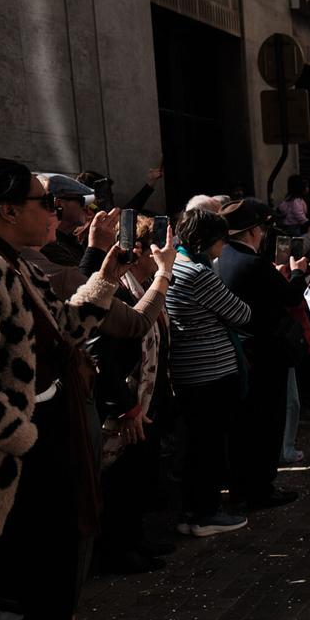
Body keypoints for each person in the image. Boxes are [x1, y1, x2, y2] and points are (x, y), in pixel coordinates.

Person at [0, 158, 125, 620]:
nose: (54, 212)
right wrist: (21, 437)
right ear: (6, 209)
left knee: (51, 584)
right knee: (25, 593)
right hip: (20, 461)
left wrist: (105, 277)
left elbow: (67, 327)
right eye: (43, 202)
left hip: (48, 444)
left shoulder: (18, 264)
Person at [93, 215, 177, 572]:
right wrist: (126, 406)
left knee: (137, 476)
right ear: (138, 251)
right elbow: (103, 355)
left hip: (146, 399)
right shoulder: (118, 289)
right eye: (157, 246)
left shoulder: (141, 287)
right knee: (120, 481)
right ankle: (118, 550)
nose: (166, 252)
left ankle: (135, 539)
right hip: (125, 403)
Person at [217, 199, 308, 508]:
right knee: (268, 422)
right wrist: (297, 273)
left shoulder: (224, 258)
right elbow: (291, 296)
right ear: (254, 231)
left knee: (245, 425)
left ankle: (244, 486)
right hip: (266, 352)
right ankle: (261, 488)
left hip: (240, 350)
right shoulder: (253, 263)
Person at [167, 208, 253, 536]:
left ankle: (192, 512)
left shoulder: (173, 265)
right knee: (211, 447)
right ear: (207, 240)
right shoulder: (198, 274)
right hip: (212, 372)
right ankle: (206, 514)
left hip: (187, 370)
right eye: (221, 240)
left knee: (196, 445)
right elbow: (241, 313)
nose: (224, 247)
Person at [39, 174, 95, 267]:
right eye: (81, 201)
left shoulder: (71, 242)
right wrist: (96, 246)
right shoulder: (48, 246)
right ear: (59, 204)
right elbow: (80, 275)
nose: (86, 208)